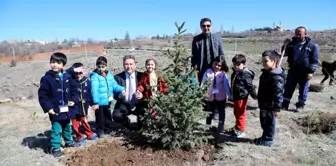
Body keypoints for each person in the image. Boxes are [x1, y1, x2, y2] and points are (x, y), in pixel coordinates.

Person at [38, 52, 81, 158]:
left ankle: (69, 142)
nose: (55, 65)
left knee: (67, 127)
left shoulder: (68, 77)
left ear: (63, 65)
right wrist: (48, 108)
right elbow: (43, 95)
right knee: (56, 129)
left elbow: (75, 90)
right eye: (52, 62)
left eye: (58, 62)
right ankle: (55, 147)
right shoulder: (47, 78)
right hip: (55, 109)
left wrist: (74, 100)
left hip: (67, 109)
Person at [281, 26, 319, 111]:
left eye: (300, 34)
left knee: (303, 90)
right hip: (293, 70)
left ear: (305, 34)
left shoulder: (312, 46)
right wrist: (285, 45)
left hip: (305, 72)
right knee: (288, 88)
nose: (297, 36)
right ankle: (284, 105)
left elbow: (315, 60)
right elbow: (284, 53)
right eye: (296, 34)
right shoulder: (291, 44)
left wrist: (311, 72)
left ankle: (300, 105)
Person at [90, 56, 126, 138]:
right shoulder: (95, 76)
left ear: (106, 66)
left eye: (103, 67)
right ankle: (100, 131)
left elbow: (114, 85)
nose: (101, 69)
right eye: (99, 67)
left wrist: (122, 89)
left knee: (107, 115)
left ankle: (108, 128)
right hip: (99, 101)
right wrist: (95, 102)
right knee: (100, 117)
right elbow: (94, 90)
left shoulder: (109, 75)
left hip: (107, 100)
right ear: (96, 66)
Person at [256, 50, 285, 146]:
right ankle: (265, 136)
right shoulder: (266, 73)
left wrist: (277, 108)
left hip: (270, 105)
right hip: (264, 103)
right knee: (264, 122)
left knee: (269, 123)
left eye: (266, 61)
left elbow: (278, 93)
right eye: (263, 61)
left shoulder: (276, 77)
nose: (264, 63)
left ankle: (268, 139)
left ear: (275, 61)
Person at [66, 62, 98, 143]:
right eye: (76, 73)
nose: (78, 75)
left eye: (80, 73)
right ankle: (79, 136)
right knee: (75, 123)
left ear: (84, 71)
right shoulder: (70, 80)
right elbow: (64, 73)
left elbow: (89, 94)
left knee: (85, 121)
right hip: (73, 107)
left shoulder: (87, 81)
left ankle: (89, 134)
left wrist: (93, 103)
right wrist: (72, 69)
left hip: (84, 107)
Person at [201, 56, 231, 134]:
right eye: (215, 64)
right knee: (209, 112)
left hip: (221, 98)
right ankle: (208, 126)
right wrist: (201, 92)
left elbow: (226, 85)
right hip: (210, 97)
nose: (217, 66)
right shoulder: (208, 72)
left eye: (219, 65)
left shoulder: (223, 74)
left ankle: (220, 127)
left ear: (222, 66)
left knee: (221, 112)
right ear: (212, 63)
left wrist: (229, 95)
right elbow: (203, 83)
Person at [112, 55, 144, 129]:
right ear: (123, 65)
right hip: (124, 103)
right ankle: (127, 123)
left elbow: (147, 90)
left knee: (143, 120)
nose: (129, 66)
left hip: (139, 103)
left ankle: (140, 124)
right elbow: (114, 93)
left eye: (131, 64)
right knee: (116, 116)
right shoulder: (117, 77)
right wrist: (120, 95)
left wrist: (142, 95)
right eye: (126, 64)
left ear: (135, 65)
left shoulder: (141, 76)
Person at [229, 54, 257, 138]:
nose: (236, 66)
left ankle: (241, 130)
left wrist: (254, 96)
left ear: (244, 64)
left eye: (238, 64)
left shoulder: (245, 74)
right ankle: (237, 127)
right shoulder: (236, 73)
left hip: (241, 97)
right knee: (236, 112)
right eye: (234, 64)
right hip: (236, 96)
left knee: (241, 113)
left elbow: (250, 86)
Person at [191, 18, 225, 83]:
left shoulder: (217, 38)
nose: (206, 27)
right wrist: (193, 70)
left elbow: (221, 53)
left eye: (208, 26)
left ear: (211, 26)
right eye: (204, 26)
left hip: (215, 67)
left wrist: (222, 66)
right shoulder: (196, 39)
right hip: (202, 69)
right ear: (201, 27)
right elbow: (193, 56)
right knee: (203, 88)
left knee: (216, 88)